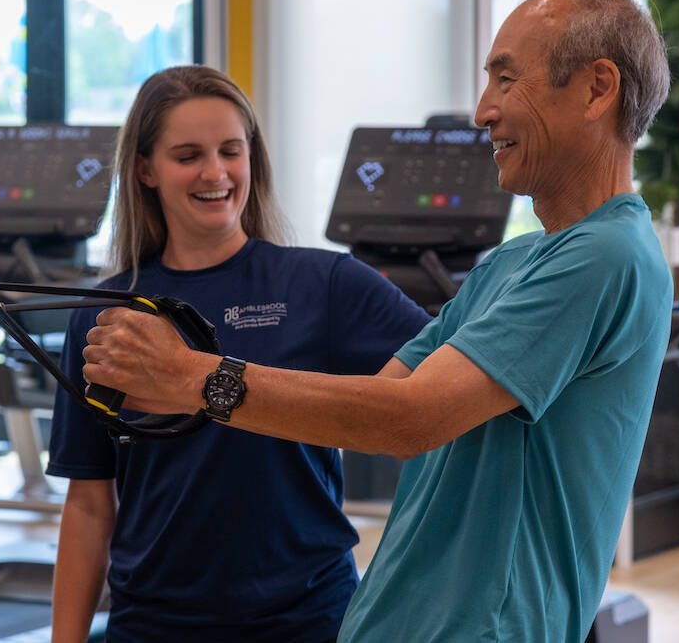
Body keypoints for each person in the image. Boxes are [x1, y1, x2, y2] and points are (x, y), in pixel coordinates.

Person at [81, 0, 674, 642]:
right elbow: (380, 402)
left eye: (507, 81)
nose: (483, 110)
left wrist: (193, 378)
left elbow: (411, 421)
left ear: (598, 88)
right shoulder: (509, 265)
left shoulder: (606, 256)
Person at [46, 65, 431, 643]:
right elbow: (89, 504)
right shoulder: (108, 315)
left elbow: (451, 386)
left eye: (231, 150)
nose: (216, 172)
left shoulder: (325, 284)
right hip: (153, 624)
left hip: (306, 619)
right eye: (188, 155)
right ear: (145, 169)